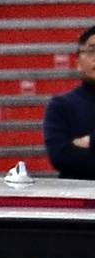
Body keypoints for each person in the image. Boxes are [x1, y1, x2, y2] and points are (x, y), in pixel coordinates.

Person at [43, 26, 95, 178]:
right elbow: (61, 157)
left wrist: (91, 141)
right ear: (78, 61)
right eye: (92, 50)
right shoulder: (60, 106)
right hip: (79, 195)